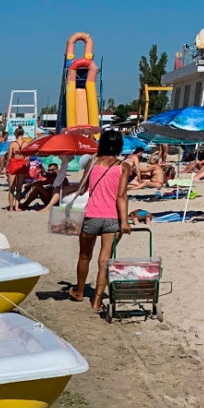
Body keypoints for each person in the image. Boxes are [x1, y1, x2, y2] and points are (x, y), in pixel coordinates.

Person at [68, 130, 131, 313]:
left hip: (92, 216)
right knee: (105, 260)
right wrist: (125, 222)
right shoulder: (124, 166)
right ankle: (96, 302)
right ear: (119, 146)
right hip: (112, 218)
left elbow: (83, 188)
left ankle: (79, 292)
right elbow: (121, 196)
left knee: (84, 256)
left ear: (101, 143)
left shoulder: (92, 163)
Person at [5, 128, 27, 211]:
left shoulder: (12, 144)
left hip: (14, 163)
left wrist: (7, 168)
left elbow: (9, 158)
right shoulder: (26, 144)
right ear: (23, 134)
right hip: (22, 164)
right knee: (19, 187)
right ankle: (17, 207)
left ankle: (11, 207)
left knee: (11, 187)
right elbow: (27, 158)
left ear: (15, 134)